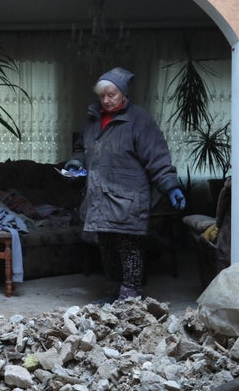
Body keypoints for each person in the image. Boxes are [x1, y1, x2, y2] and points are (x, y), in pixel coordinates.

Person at [64, 67, 185, 302]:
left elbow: (157, 157)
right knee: (106, 245)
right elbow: (81, 148)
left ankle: (130, 297)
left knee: (129, 246)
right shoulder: (93, 119)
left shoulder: (139, 120)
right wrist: (75, 163)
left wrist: (171, 186)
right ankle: (113, 293)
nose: (106, 100)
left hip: (128, 196)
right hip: (99, 194)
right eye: (102, 96)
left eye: (112, 95)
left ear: (123, 94)